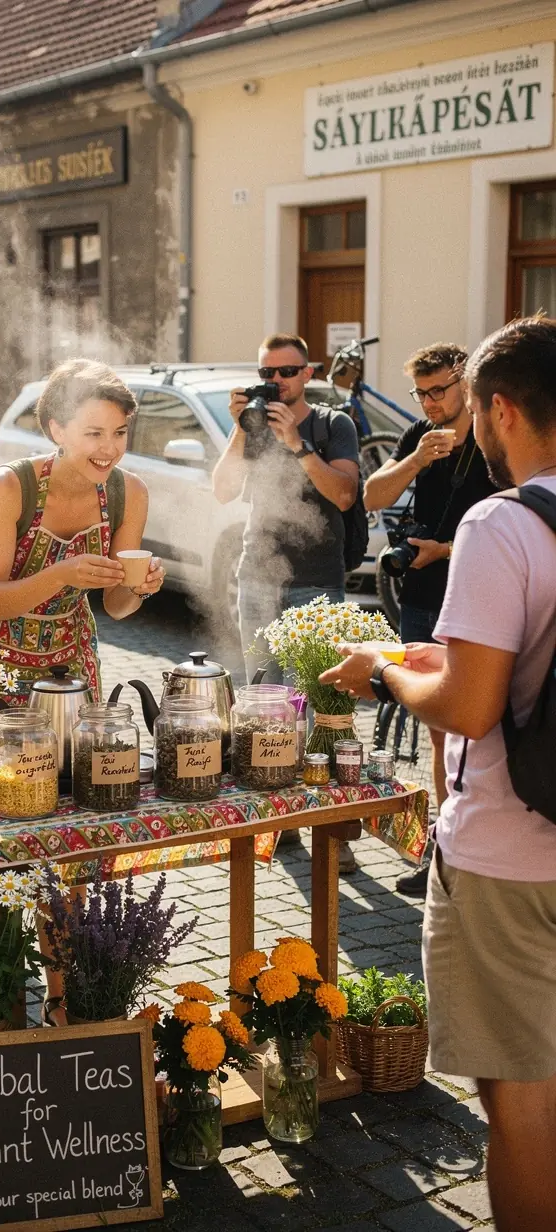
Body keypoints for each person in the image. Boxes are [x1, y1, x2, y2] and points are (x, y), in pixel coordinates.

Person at [319, 316, 556, 1232]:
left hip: (509, 854)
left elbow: (467, 710)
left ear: (499, 410)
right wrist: (444, 655)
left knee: (524, 1103)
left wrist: (383, 666)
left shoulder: (504, 522)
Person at [0, 357, 165, 1022]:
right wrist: (65, 571)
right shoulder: (8, 488)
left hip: (70, 660)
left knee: (73, 820)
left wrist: (136, 588)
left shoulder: (128, 494)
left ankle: (67, 993)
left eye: (121, 433)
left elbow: (120, 608)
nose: (110, 448)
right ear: (55, 428)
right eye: (95, 432)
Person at [212, 332, 359, 870]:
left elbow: (344, 494)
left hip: (317, 580)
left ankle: (335, 830)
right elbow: (224, 490)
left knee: (327, 703)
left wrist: (297, 444)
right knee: (266, 700)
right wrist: (238, 429)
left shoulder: (331, 424)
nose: (278, 382)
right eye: (268, 374)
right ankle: (278, 819)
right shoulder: (252, 426)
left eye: (289, 372)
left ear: (308, 373)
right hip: (259, 577)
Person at [363, 344, 496, 897]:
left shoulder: (493, 429)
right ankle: (443, 851)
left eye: (439, 390)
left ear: (465, 384)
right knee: (439, 731)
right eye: (421, 392)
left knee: (479, 724)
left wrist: (444, 550)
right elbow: (371, 495)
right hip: (421, 592)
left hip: (476, 590)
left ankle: (481, 847)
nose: (430, 402)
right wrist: (417, 458)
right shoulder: (419, 433)